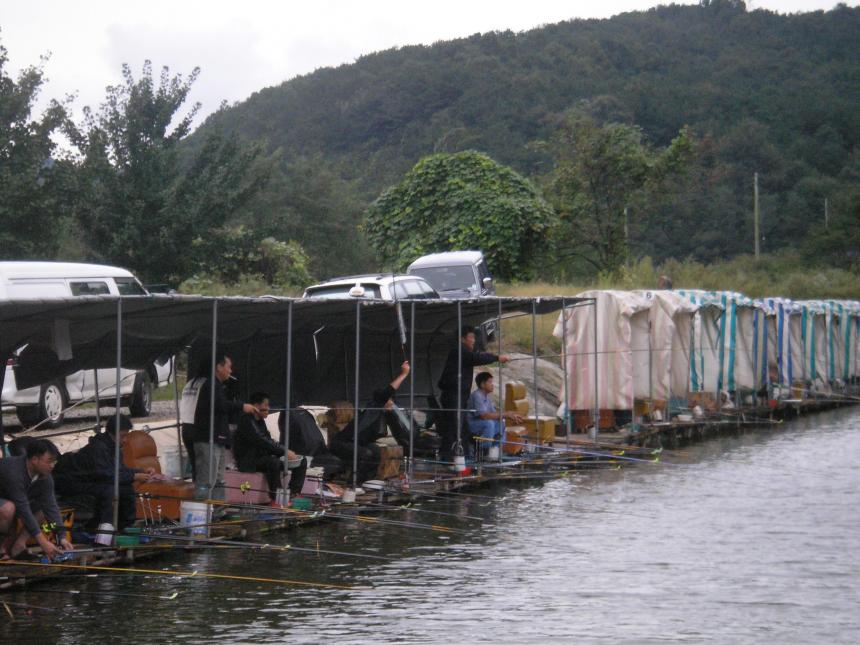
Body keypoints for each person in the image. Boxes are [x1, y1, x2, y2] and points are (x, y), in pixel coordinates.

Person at [53, 414, 154, 531]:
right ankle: (104, 528)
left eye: (127, 435)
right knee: (109, 490)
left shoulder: (115, 447)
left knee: (126, 488)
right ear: (112, 433)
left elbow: (119, 470)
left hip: (93, 480)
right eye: (123, 436)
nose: (125, 440)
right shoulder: (98, 448)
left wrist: (141, 471)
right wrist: (134, 476)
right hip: (73, 482)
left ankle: (125, 526)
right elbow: (105, 474)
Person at [179, 352, 256, 498]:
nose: (230, 371)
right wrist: (241, 406)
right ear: (218, 367)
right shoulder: (210, 384)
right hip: (206, 435)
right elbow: (220, 405)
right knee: (207, 479)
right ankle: (202, 508)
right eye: (228, 367)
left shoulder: (193, 382)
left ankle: (217, 507)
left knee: (214, 476)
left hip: (190, 431)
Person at [330, 361, 410, 484]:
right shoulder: (373, 409)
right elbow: (388, 391)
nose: (391, 402)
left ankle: (367, 482)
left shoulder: (385, 414)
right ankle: (353, 484)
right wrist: (404, 374)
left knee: (376, 452)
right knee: (366, 453)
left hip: (358, 443)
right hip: (341, 443)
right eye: (388, 399)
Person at [437, 326, 510, 458]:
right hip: (453, 396)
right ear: (462, 339)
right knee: (453, 427)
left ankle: (467, 455)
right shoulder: (459, 351)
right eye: (471, 337)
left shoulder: (465, 353)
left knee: (462, 429)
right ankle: (448, 456)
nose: (473, 340)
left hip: (460, 397)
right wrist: (496, 358)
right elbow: (476, 358)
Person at [0, 439, 72, 560]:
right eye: (49, 461)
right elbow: (23, 509)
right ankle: (2, 548)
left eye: (54, 462)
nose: (52, 466)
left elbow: (51, 507)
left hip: (13, 502)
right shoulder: (14, 472)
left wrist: (62, 536)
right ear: (34, 460)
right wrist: (43, 543)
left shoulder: (45, 478)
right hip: (7, 504)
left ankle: (18, 546)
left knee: (43, 510)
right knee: (8, 508)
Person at [234, 392, 307, 506]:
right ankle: (277, 498)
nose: (268, 408)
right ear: (256, 406)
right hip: (249, 460)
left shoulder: (261, 422)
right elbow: (262, 440)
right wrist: (284, 451)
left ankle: (293, 493)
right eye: (266, 405)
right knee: (273, 463)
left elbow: (269, 440)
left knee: (302, 461)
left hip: (263, 456)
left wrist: (284, 453)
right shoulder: (246, 421)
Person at [466, 372, 523, 454]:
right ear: (482, 384)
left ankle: (495, 449)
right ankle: (483, 451)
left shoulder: (486, 396)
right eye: (490, 382)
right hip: (472, 424)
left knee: (501, 422)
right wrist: (506, 414)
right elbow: (484, 416)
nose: (492, 385)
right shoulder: (477, 395)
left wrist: (510, 415)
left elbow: (494, 413)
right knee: (489, 424)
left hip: (482, 422)